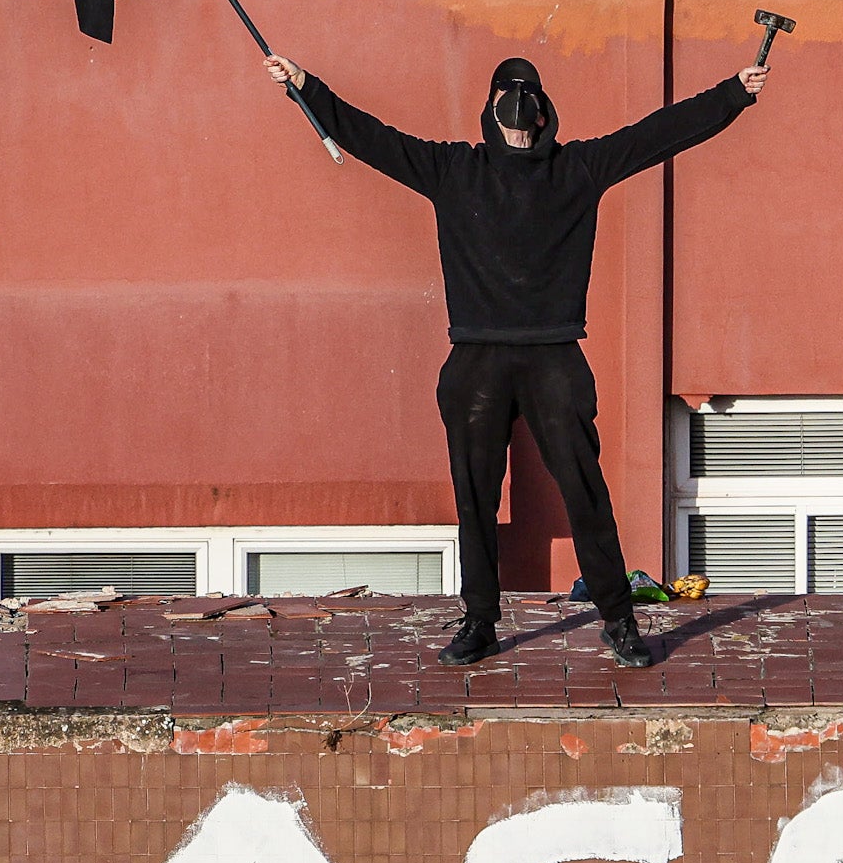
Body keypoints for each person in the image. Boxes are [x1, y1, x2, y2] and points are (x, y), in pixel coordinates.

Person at [265, 46, 766, 666]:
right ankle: (480, 620)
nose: (520, 113)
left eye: (528, 101)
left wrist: (733, 94)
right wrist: (306, 86)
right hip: (477, 359)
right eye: (511, 99)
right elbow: (372, 138)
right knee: (475, 496)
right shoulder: (455, 170)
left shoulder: (577, 168)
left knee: (584, 490)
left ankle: (618, 619)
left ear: (543, 111)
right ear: (494, 108)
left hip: (553, 355)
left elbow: (658, 135)